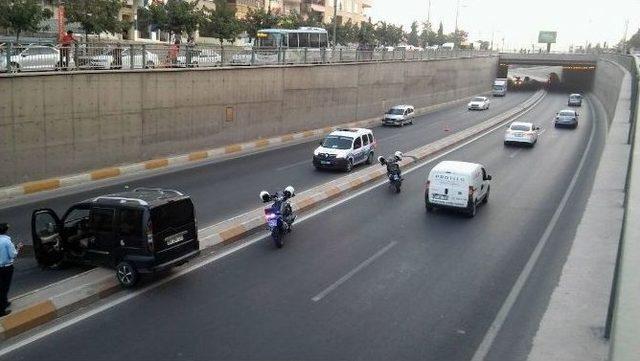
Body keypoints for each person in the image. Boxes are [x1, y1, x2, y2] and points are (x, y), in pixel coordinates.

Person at [0, 223, 22, 316]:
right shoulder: (7, 241)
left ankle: (4, 302)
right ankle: (1, 309)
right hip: (6, 268)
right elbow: (12, 255)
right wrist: (18, 248)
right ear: (6, 230)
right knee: (4, 288)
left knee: (1, 288)